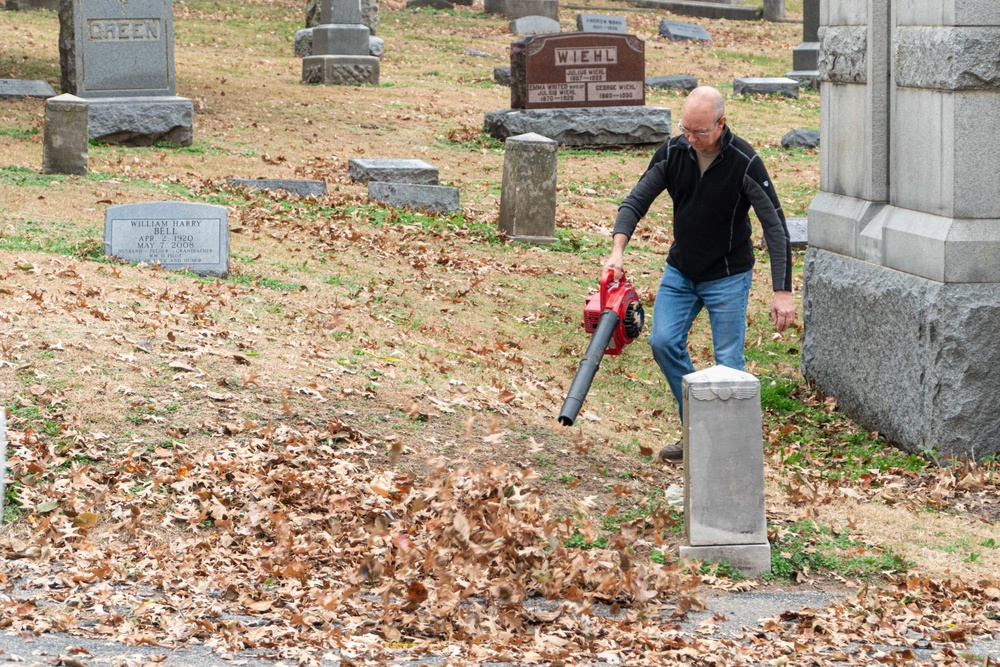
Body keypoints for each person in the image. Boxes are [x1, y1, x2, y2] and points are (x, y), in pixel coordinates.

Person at [601, 86, 795, 462]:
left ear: (721, 124)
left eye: (699, 132)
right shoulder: (674, 151)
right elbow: (636, 200)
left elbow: (775, 226)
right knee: (662, 343)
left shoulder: (744, 160)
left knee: (727, 368)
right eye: (685, 129)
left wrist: (782, 291)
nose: (690, 138)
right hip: (681, 272)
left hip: (727, 276)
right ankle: (698, 429)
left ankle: (726, 455)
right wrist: (617, 250)